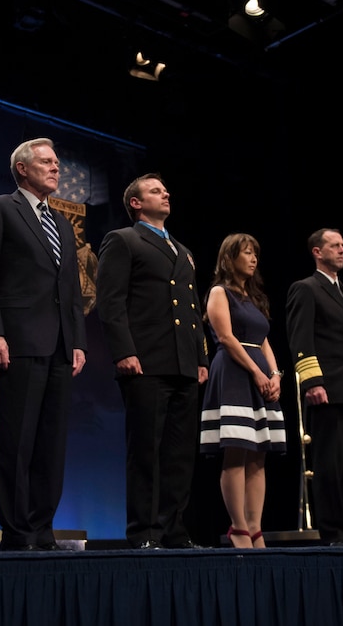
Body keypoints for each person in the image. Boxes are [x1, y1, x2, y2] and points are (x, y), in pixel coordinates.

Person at [0, 137, 87, 551]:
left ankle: (42, 527)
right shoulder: (0, 208)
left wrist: (77, 341)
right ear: (22, 168)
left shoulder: (61, 224)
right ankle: (17, 530)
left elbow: (70, 289)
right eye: (47, 162)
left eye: (58, 162)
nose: (56, 168)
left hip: (59, 346)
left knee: (51, 443)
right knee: (17, 439)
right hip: (18, 340)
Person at [95, 174, 208, 550]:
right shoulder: (123, 240)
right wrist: (124, 351)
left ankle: (173, 529)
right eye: (156, 190)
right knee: (146, 450)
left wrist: (201, 356)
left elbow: (192, 309)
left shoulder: (182, 249)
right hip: (146, 361)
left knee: (179, 453)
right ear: (136, 204)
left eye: (165, 189)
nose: (166, 193)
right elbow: (111, 302)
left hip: (183, 363)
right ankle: (145, 531)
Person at [284, 228, 343, 546]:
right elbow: (301, 338)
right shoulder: (306, 289)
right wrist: (312, 381)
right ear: (317, 252)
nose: (341, 250)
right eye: (334, 245)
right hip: (329, 389)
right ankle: (333, 531)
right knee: (330, 465)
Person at [199, 233, 287, 548]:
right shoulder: (219, 292)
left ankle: (255, 527)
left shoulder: (254, 298)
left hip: (260, 376)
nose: (253, 259)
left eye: (255, 254)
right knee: (236, 451)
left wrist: (274, 374)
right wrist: (255, 372)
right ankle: (238, 528)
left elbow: (263, 340)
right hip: (236, 373)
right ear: (229, 257)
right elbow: (225, 337)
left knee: (259, 454)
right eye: (246, 253)